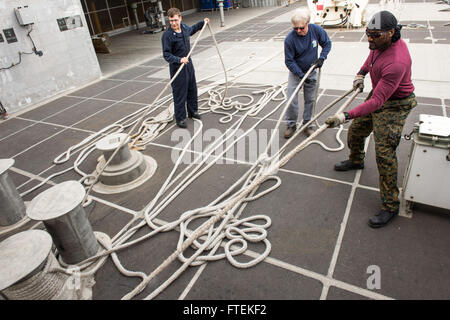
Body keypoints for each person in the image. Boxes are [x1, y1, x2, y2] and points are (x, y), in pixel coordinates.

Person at [325, 11, 417, 228]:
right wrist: (361, 73)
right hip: (380, 94)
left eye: (375, 35)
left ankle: (390, 205)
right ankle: (356, 160)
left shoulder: (397, 62)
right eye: (368, 33)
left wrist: (344, 115)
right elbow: (372, 56)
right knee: (356, 131)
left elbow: (377, 103)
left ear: (391, 33)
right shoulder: (379, 44)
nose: (370, 39)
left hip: (395, 104)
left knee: (384, 153)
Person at [284, 7, 332, 139]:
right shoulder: (290, 39)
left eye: (301, 28)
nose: (298, 31)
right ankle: (291, 124)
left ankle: (307, 124)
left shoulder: (316, 30)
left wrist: (322, 57)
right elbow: (289, 61)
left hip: (311, 72)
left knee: (310, 99)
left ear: (308, 23)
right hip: (296, 74)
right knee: (291, 99)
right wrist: (300, 75)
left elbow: (327, 44)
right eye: (295, 28)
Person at [162, 8, 209, 128]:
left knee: (192, 89)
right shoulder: (167, 35)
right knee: (180, 93)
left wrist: (202, 23)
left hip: (188, 64)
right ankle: (180, 118)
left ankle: (193, 112)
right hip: (177, 68)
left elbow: (192, 29)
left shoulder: (183, 28)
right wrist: (179, 60)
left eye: (175, 20)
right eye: (171, 20)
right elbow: (166, 55)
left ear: (180, 18)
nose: (173, 23)